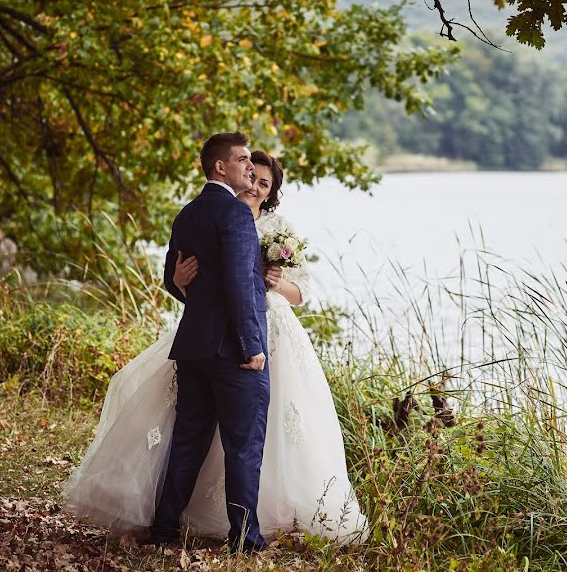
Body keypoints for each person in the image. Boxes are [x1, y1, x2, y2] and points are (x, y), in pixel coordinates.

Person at [64, 145, 368, 550]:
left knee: (189, 439)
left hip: (195, 345)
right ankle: (244, 537)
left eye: (262, 179)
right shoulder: (236, 214)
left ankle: (165, 528)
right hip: (235, 348)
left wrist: (183, 283)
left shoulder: (189, 212)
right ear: (223, 167)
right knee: (243, 444)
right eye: (245, 165)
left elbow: (187, 276)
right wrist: (250, 346)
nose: (252, 178)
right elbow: (239, 287)